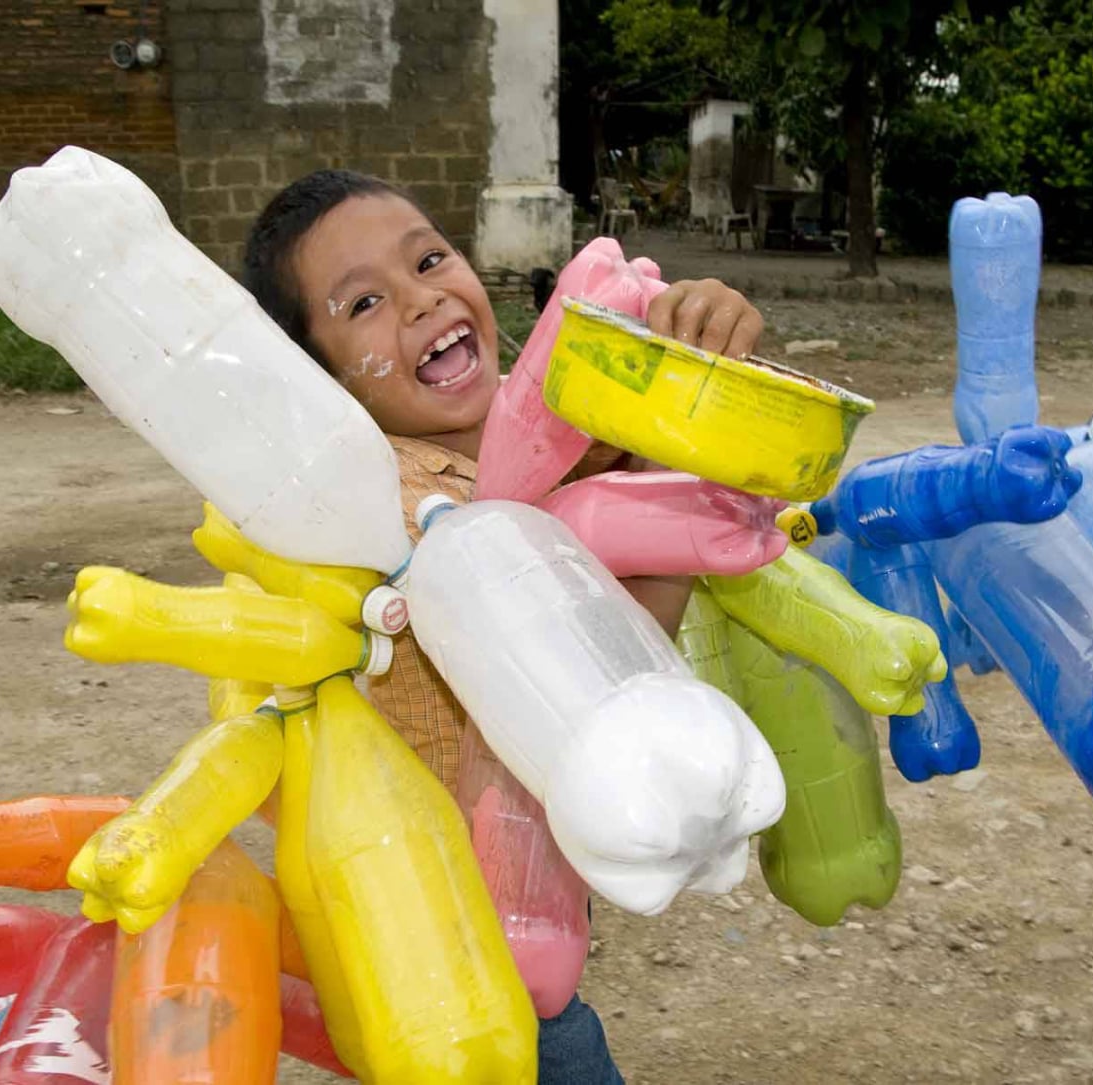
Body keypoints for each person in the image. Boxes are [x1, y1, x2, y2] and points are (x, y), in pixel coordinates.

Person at [244, 169, 765, 1083]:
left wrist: (699, 349)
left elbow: (632, 631)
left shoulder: (562, 433)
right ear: (320, 382)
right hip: (447, 948)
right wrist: (676, 522)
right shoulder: (388, 515)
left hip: (521, 915)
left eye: (430, 258)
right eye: (364, 301)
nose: (421, 299)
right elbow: (607, 654)